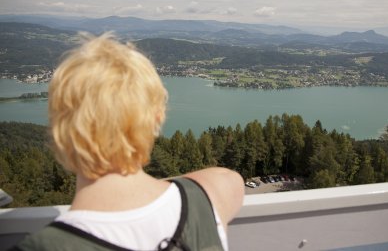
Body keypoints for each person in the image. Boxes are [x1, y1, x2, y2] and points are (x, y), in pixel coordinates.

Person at [14, 33, 244, 251]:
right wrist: (148, 188)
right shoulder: (205, 202)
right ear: (157, 119)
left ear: (58, 130)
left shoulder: (42, 246)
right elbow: (230, 178)